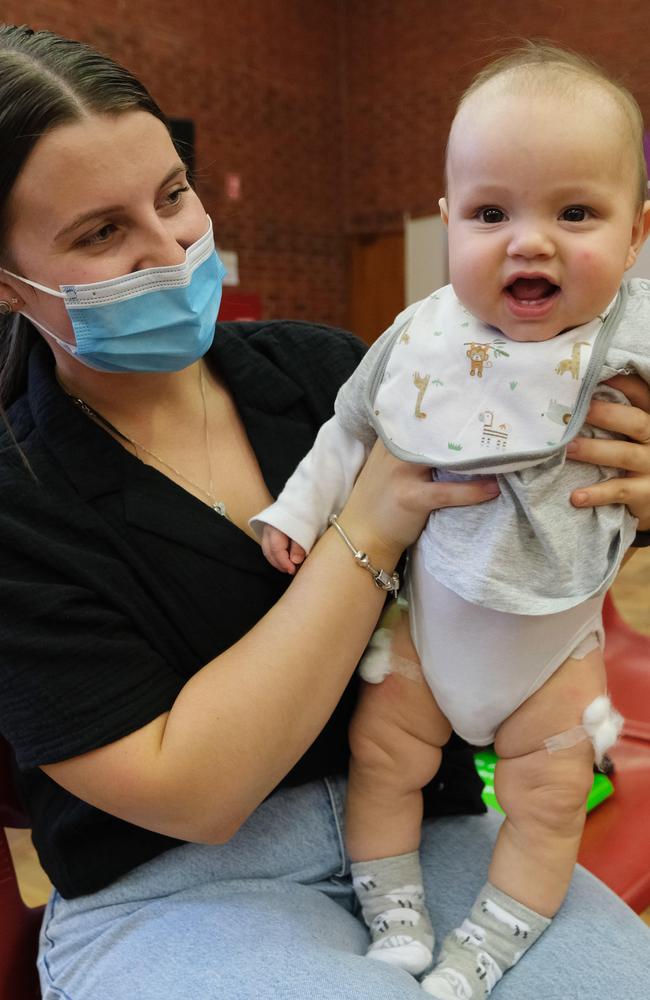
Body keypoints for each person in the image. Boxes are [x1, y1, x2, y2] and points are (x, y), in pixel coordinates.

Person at [0, 26, 648, 1000]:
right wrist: (369, 521)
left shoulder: (316, 365)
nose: (170, 244)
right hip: (179, 888)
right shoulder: (23, 499)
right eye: (101, 233)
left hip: (434, 826)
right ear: (12, 285)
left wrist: (623, 482)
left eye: (172, 195)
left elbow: (518, 511)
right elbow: (197, 793)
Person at [254, 43, 650, 999]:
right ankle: (394, 916)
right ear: (446, 225)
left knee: (550, 802)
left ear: (637, 235)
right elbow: (351, 424)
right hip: (427, 632)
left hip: (554, 649)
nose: (529, 241)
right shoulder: (424, 334)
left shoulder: (628, 341)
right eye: (490, 213)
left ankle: (488, 944)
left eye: (576, 212)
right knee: (381, 760)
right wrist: (300, 508)